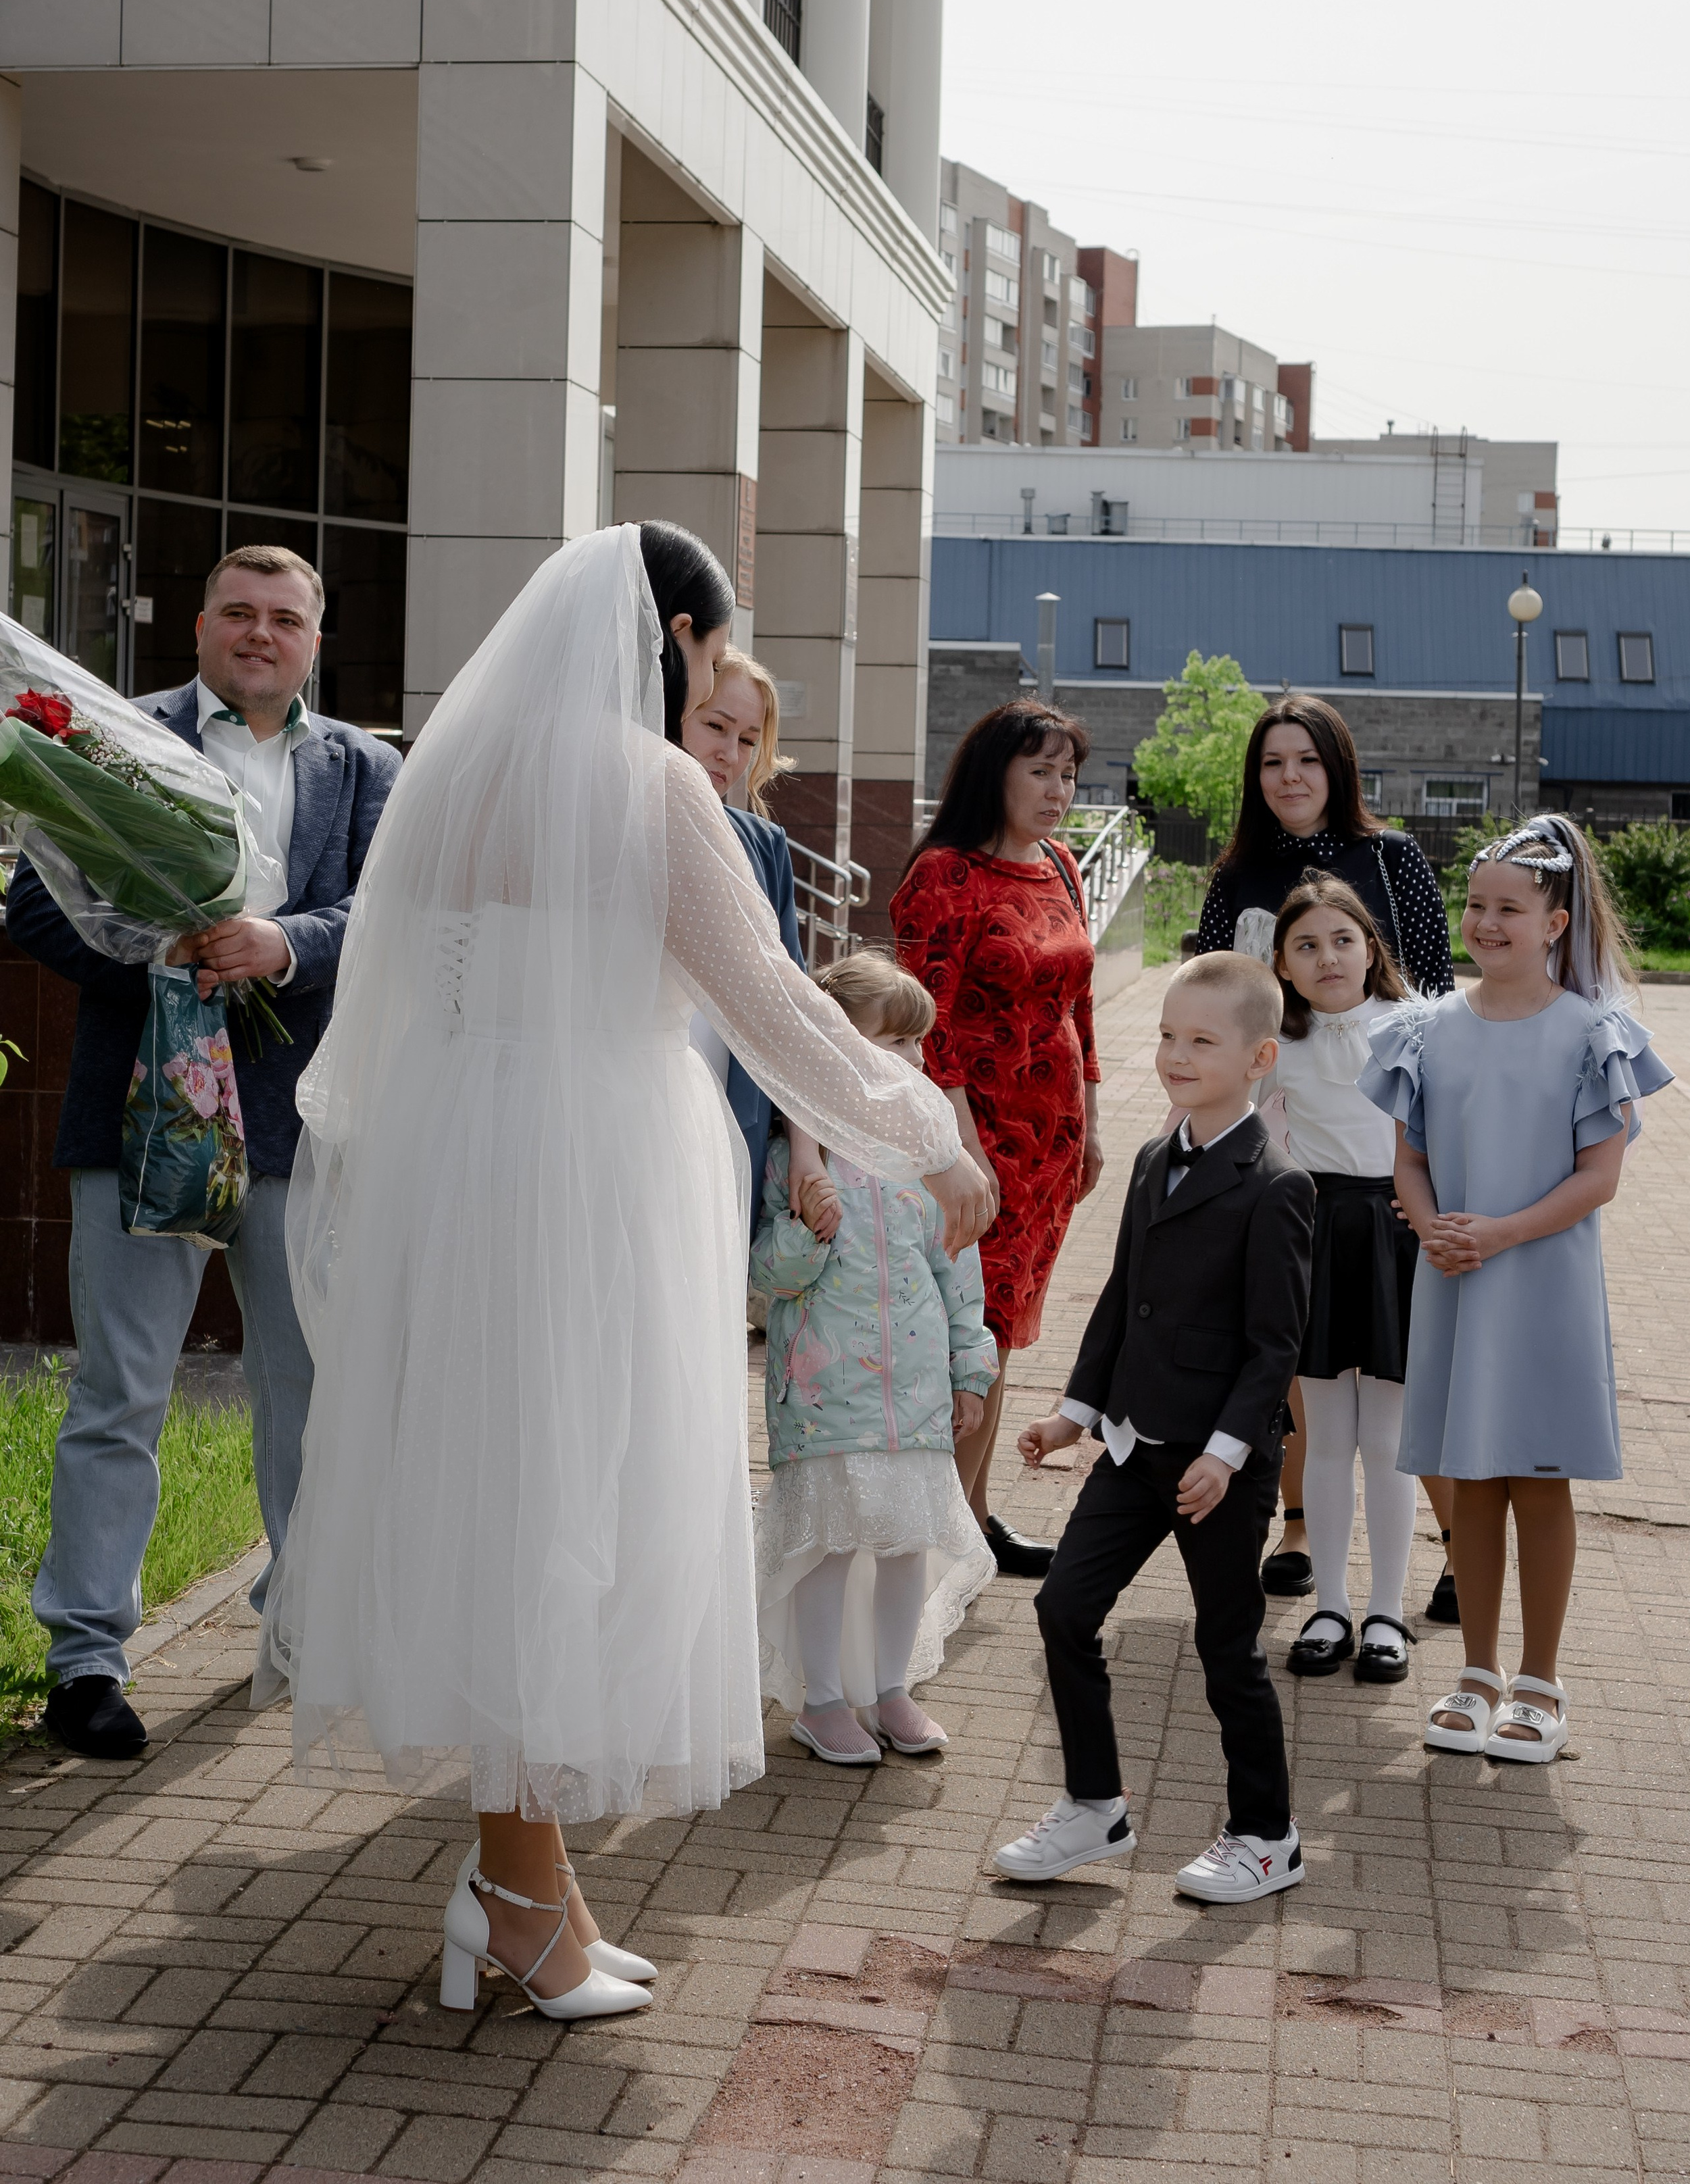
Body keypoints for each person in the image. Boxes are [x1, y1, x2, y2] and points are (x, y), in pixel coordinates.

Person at [258, 522, 991, 2027]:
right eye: (714, 660)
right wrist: (925, 1133)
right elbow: (771, 998)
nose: (717, 689)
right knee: (567, 1507)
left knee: (503, 1499)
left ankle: (523, 1885)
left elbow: (394, 991)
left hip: (467, 1164)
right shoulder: (650, 783)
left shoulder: (456, 775)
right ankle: (524, 1903)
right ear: (668, 636)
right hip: (592, 1169)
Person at [5, 545, 399, 1762]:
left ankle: (304, 1624)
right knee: (121, 1389)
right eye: (239, 611)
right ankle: (86, 1660)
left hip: (296, 1130)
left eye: (285, 618)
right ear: (199, 624)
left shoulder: (367, 768)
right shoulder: (109, 741)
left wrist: (280, 945)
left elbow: (387, 914)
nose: (261, 633)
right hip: (137, 1121)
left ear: (316, 641)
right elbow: (31, 907)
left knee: (310, 1394)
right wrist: (155, 944)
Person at [997, 952, 1314, 1904]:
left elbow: (1275, 1350)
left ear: (1259, 1056)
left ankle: (1268, 1835)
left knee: (1228, 1652)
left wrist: (1225, 1457)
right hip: (1133, 1451)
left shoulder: (1277, 1186)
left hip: (1218, 1467)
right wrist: (1073, 1413)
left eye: (1201, 1041)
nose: (1176, 1054)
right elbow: (1122, 1300)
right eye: (1168, 1036)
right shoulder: (1149, 1158)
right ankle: (1094, 1805)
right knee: (1062, 1610)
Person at [1360, 816, 1670, 1763]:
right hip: (1455, 1274)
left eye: (1509, 909)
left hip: (1540, 1282)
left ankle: (1540, 1681)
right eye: (1476, 905)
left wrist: (1498, 1231)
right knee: (1470, 1477)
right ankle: (1477, 1674)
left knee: (1537, 1476)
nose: (1486, 923)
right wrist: (1429, 1225)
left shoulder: (1592, 1034)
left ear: (1556, 923)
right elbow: (1407, 1158)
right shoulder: (1429, 1028)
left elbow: (1598, 1178)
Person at [1196, 694, 1454, 1609]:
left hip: (1388, 1157)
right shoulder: (1239, 878)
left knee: (1393, 1379)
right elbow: (1220, 1005)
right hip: (1300, 1154)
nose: (1291, 777)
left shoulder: (1390, 859)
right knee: (1312, 1375)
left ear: (1337, 768)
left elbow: (1433, 984)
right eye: (1272, 763)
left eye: (1307, 760)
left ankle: (1448, 1543)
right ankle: (1303, 1530)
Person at [751, 951, 1001, 1765]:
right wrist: (805, 1226)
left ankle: (891, 1688)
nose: (910, 1064)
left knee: (902, 1542)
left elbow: (957, 1272)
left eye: (917, 1048)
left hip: (915, 1392)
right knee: (827, 1543)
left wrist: (970, 1372)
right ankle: (821, 1699)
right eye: (888, 1044)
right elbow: (768, 1277)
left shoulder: (920, 1161)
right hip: (827, 1397)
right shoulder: (794, 1159)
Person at [892, 703, 1103, 1578]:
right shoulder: (945, 874)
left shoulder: (1058, 863)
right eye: (1042, 773)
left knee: (1003, 1330)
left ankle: (971, 1522)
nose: (1059, 793)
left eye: (1069, 776)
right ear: (996, 774)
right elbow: (922, 1026)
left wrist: (1092, 1117)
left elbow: (1081, 1004)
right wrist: (964, 1148)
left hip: (1051, 1143)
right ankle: (942, 1543)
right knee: (970, 1332)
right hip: (974, 1142)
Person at [1264, 877, 1420, 1685]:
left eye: (1342, 940)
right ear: (1282, 967)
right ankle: (1330, 1605)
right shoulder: (1275, 1046)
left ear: (1370, 948)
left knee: (1389, 1440)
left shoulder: (1416, 1027)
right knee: (1324, 1434)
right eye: (1306, 946)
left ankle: (1387, 1612)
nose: (1327, 957)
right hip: (1316, 1235)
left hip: (1396, 1235)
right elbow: (1240, 1137)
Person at [681, 645, 825, 1231]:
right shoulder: (615, 826)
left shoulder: (764, 846)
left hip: (732, 1117)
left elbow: (788, 1005)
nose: (729, 753)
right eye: (716, 726)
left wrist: (807, 1149)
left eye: (748, 740)